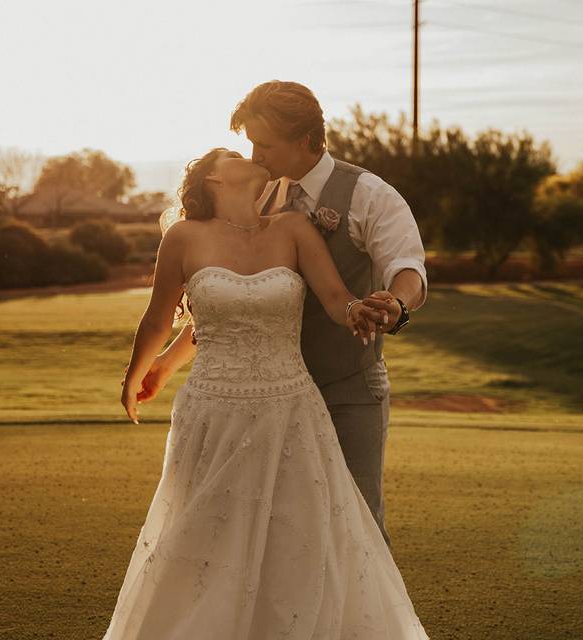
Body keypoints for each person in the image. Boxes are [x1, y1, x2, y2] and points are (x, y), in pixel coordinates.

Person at [104, 147, 429, 638]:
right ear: (213, 179)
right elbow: (158, 317)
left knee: (299, 533)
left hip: (291, 406)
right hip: (212, 407)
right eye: (236, 153)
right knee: (208, 528)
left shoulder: (293, 228)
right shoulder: (183, 237)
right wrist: (138, 375)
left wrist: (364, 311)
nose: (252, 154)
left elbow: (337, 298)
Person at [137, 81, 428, 548]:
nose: (254, 155)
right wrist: (167, 362)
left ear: (308, 140)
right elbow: (241, 302)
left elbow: (407, 267)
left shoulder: (370, 194)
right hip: (268, 402)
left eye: (265, 144)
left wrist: (394, 302)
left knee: (358, 529)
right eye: (250, 142)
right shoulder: (255, 197)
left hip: (346, 389)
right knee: (273, 535)